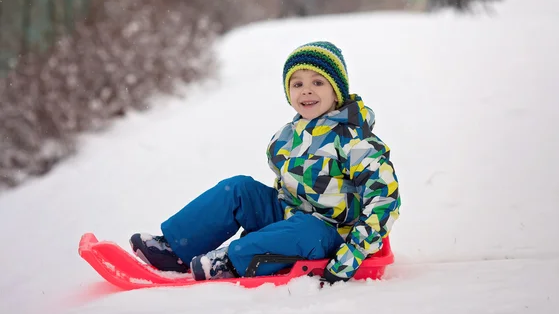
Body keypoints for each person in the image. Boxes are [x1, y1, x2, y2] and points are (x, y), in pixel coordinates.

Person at [130, 41, 401, 283]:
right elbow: (284, 186)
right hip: (289, 215)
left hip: (333, 234)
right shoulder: (286, 137)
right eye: (298, 84)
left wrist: (353, 253)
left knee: (305, 229)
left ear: (337, 91)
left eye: (318, 83)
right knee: (238, 189)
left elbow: (385, 198)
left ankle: (231, 261)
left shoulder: (354, 139)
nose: (306, 91)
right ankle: (177, 248)